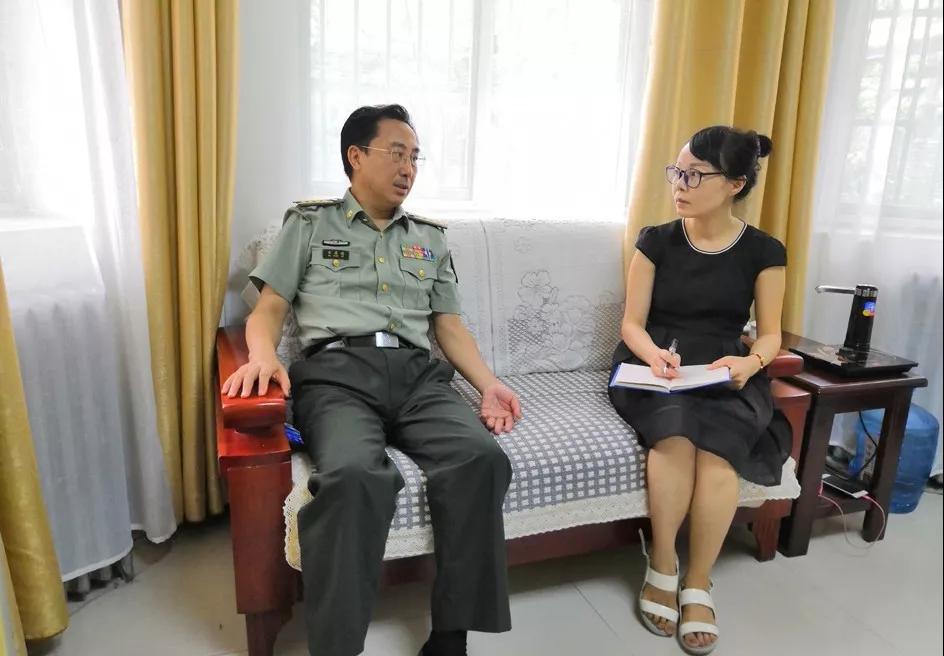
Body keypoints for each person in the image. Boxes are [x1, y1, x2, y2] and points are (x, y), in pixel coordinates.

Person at [222, 104, 522, 656]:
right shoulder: (308, 224)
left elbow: (449, 328)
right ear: (355, 157)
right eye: (397, 153)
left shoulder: (430, 239)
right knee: (354, 476)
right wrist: (262, 355)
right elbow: (269, 308)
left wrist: (488, 384)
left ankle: (450, 638)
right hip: (336, 377)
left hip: (418, 378)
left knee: (480, 459)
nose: (409, 168)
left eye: (416, 158)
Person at [609, 126, 790, 655]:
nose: (679, 185)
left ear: (734, 184)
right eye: (677, 172)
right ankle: (663, 562)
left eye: (694, 175)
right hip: (659, 365)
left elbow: (772, 334)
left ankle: (698, 579)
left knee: (719, 454)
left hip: (725, 369)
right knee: (674, 436)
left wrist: (751, 362)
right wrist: (651, 354)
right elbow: (632, 324)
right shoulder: (656, 240)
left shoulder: (764, 251)